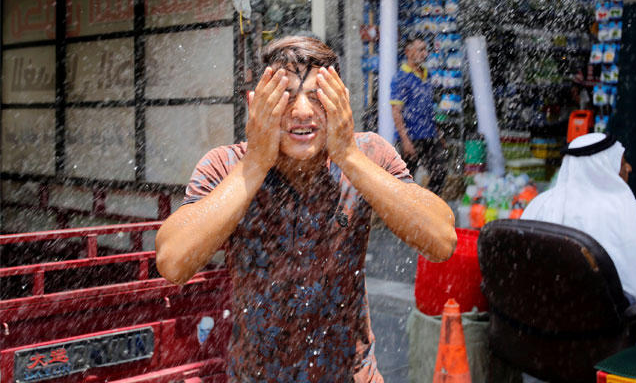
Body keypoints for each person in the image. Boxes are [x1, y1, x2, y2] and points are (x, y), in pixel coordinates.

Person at [155, 35, 456, 383]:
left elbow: (441, 240)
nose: (302, 112)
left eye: (317, 97)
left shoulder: (368, 154)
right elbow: (173, 262)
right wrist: (255, 164)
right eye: (284, 97)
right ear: (256, 103)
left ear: (341, 101)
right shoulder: (228, 165)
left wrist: (348, 155)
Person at [522, 133, 636, 312]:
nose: (629, 168)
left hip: (546, 320)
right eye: (623, 162)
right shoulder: (633, 213)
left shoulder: (539, 204)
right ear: (605, 168)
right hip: (617, 330)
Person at [390, 36, 447, 195]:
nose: (425, 53)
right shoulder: (400, 78)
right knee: (404, 183)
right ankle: (401, 216)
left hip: (429, 135)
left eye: (425, 49)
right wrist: (405, 140)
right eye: (420, 50)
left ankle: (429, 210)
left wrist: (438, 133)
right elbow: (396, 111)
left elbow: (428, 109)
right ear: (408, 52)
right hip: (411, 137)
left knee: (440, 173)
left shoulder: (427, 75)